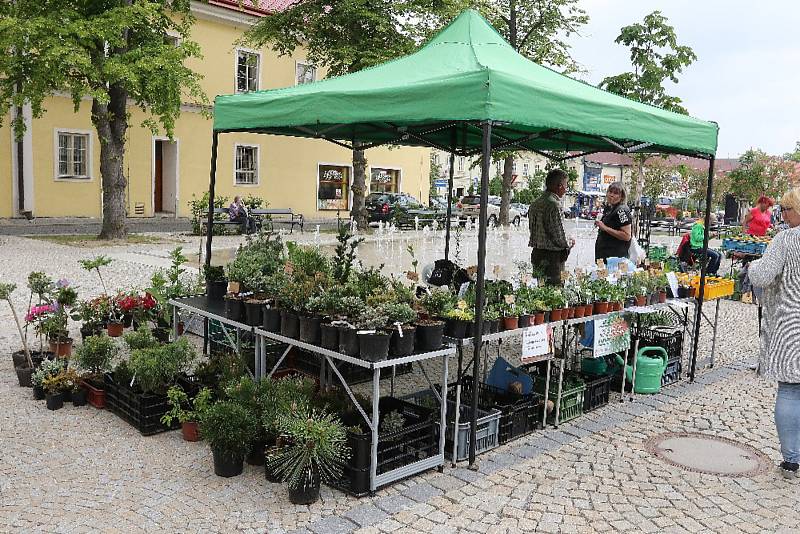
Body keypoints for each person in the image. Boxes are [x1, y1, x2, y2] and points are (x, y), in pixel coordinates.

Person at [748, 187, 800, 479]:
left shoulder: (786, 239)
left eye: (787, 210)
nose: (782, 215)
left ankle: (792, 459)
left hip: (792, 325)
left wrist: (752, 266)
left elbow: (763, 276)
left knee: (791, 391)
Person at [528, 169, 575, 285]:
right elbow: (558, 236)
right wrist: (569, 243)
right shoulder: (553, 204)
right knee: (554, 293)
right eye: (566, 185)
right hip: (552, 259)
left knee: (541, 290)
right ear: (559, 186)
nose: (566, 188)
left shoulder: (535, 203)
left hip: (537, 254)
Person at [594, 181, 632, 262]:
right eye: (610, 192)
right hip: (605, 257)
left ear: (621, 196)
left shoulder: (621, 211)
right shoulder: (611, 208)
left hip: (614, 259)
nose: (611, 195)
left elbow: (626, 236)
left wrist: (605, 228)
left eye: (615, 193)